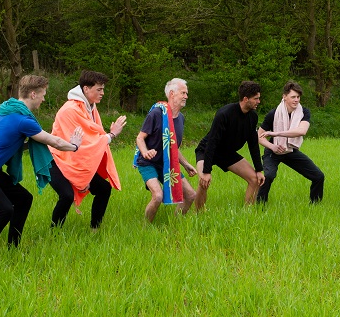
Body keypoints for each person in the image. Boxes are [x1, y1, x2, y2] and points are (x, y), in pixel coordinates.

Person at [0, 75, 83, 248]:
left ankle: (13, 246)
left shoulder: (4, 110)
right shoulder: (23, 120)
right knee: (5, 210)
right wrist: (74, 146)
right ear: (32, 94)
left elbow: (8, 141)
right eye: (43, 94)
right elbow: (55, 142)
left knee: (24, 199)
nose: (44, 98)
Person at [48, 70, 127, 230]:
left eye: (103, 89)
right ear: (86, 89)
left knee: (103, 189)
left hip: (74, 159)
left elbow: (92, 138)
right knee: (66, 196)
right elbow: (83, 145)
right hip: (56, 159)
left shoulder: (90, 107)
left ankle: (95, 229)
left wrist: (106, 136)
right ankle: (54, 232)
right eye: (99, 89)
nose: (103, 93)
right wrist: (111, 135)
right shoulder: (70, 110)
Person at [134, 78, 198, 222]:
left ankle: (174, 223)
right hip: (148, 163)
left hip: (168, 164)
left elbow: (173, 148)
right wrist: (145, 152)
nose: (186, 96)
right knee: (157, 196)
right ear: (172, 94)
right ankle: (146, 228)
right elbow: (140, 138)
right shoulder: (156, 114)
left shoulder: (181, 118)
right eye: (183, 93)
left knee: (191, 195)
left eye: (186, 93)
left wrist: (186, 164)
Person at [194, 81, 264, 210]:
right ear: (245, 99)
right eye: (256, 98)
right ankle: (198, 216)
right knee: (204, 182)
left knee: (255, 179)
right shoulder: (224, 114)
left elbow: (253, 144)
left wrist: (259, 170)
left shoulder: (252, 117)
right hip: (207, 150)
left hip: (227, 153)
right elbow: (212, 142)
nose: (258, 101)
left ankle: (248, 214)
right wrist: (206, 171)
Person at [256, 80, 325, 204]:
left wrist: (276, 133)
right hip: (274, 151)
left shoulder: (303, 112)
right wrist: (272, 146)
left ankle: (315, 206)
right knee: (268, 176)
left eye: (298, 97)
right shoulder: (273, 114)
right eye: (293, 97)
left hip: (290, 150)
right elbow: (259, 136)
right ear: (284, 97)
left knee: (318, 176)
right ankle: (260, 206)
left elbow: (301, 131)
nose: (296, 100)